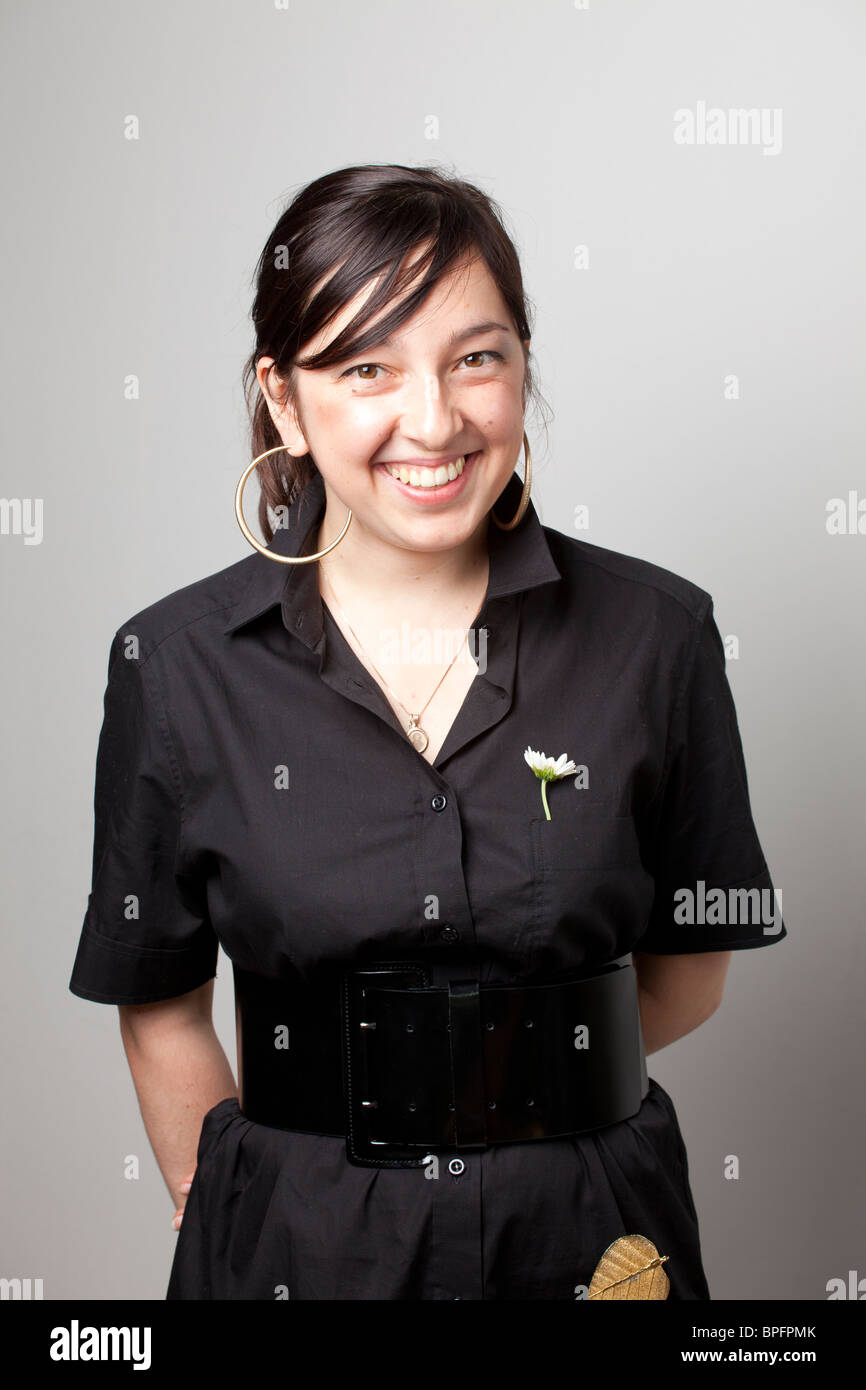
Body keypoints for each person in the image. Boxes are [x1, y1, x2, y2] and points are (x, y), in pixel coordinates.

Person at [68, 162, 787, 1301]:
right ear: (285, 401)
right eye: (367, 368)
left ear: (521, 370)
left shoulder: (657, 634)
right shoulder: (175, 665)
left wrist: (511, 1073)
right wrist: (233, 1218)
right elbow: (156, 997)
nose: (435, 419)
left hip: (592, 1237)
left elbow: (688, 969)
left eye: (476, 357)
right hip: (300, 1246)